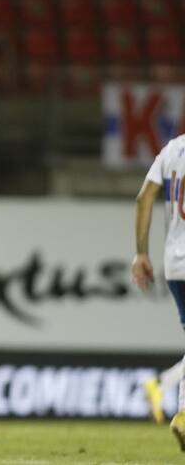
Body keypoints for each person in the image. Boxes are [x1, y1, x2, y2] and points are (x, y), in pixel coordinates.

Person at [132, 135, 185, 451]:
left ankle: (166, 391)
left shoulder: (172, 148)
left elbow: (143, 197)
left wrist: (140, 253)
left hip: (174, 262)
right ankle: (179, 410)